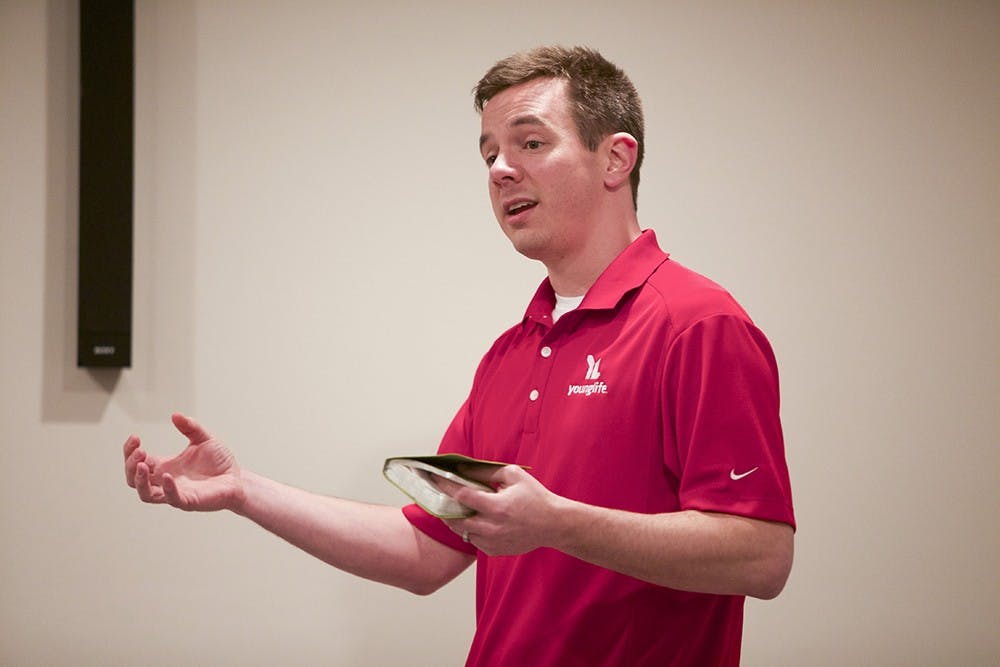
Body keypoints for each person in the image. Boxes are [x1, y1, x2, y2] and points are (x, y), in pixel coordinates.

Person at [124, 45, 795, 666]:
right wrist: (244, 489)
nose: (502, 169)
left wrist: (560, 523)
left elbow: (762, 555)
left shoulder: (698, 323)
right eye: (489, 154)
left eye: (530, 142)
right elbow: (427, 550)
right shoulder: (509, 353)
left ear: (616, 159)